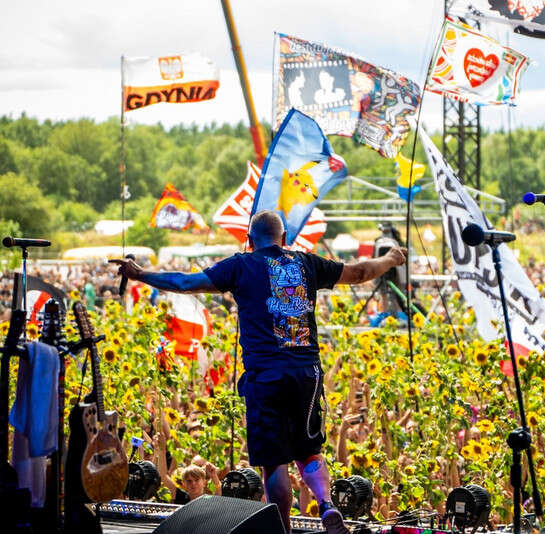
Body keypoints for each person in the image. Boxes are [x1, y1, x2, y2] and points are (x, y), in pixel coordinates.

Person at [112, 210, 406, 534]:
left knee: (274, 463)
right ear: (284, 239)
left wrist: (139, 274)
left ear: (250, 241)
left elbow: (184, 282)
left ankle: (282, 530)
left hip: (266, 377)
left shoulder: (240, 265)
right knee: (309, 450)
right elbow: (361, 270)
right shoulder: (307, 263)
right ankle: (325, 504)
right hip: (306, 373)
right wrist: (390, 259)